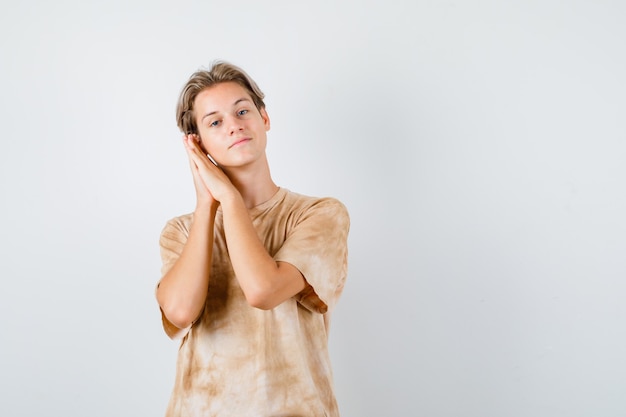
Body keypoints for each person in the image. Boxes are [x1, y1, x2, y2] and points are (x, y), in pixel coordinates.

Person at [155, 61, 350, 417]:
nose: (234, 126)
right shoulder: (180, 232)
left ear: (265, 118)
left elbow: (263, 290)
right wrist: (206, 205)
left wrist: (228, 199)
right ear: (197, 144)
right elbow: (181, 311)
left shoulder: (319, 215)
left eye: (243, 110)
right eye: (215, 122)